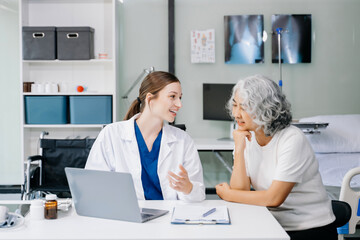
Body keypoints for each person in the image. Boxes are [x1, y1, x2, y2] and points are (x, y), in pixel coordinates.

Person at [215, 75, 336, 240]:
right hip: (270, 224)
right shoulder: (247, 137)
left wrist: (227, 194)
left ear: (265, 108)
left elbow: (274, 198)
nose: (236, 114)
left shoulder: (292, 138)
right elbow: (240, 191)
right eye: (235, 106)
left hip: (308, 228)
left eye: (244, 107)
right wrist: (239, 148)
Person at [85, 71, 205, 202]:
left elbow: (199, 195)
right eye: (172, 97)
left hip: (169, 217)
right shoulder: (111, 134)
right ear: (150, 99)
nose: (179, 104)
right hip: (126, 215)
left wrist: (188, 189)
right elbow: (93, 186)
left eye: (180, 98)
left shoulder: (183, 140)